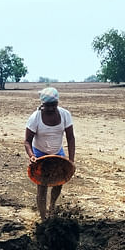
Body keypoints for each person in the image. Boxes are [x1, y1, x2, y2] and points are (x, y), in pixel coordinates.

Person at [24, 87, 75, 219]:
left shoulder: (65, 115)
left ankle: (52, 207)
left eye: (54, 105)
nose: (52, 108)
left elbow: (70, 138)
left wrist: (71, 160)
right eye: (48, 106)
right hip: (40, 154)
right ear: (42, 104)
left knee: (59, 182)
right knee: (42, 186)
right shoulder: (35, 118)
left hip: (57, 152)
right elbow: (27, 141)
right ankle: (43, 218)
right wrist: (32, 156)